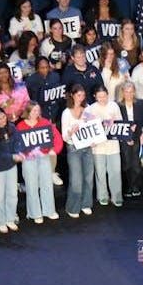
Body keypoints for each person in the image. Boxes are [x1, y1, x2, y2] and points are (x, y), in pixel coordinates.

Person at [16, 102, 64, 223]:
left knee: (47, 184)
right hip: (28, 159)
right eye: (33, 111)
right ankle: (35, 213)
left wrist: (55, 150)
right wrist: (23, 154)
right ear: (27, 112)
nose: (36, 113)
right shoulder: (20, 126)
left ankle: (49, 210)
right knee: (31, 186)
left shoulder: (45, 123)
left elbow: (57, 137)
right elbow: (16, 144)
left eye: (38, 110)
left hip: (44, 157)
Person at [0, 107, 25, 234]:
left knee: (12, 194)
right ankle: (1, 222)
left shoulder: (11, 127)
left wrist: (18, 152)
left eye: (3, 117)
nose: (3, 120)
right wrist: (12, 156)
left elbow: (18, 141)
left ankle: (10, 218)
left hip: (11, 167)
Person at [84, 85, 124, 206]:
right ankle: (102, 195)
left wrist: (114, 122)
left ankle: (117, 196)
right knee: (100, 172)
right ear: (95, 96)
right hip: (98, 146)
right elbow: (87, 126)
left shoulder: (114, 105)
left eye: (104, 96)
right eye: (99, 97)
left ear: (108, 95)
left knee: (115, 171)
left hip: (113, 144)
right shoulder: (90, 109)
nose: (102, 99)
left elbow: (120, 123)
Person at [61, 85, 95, 217]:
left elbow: (93, 126)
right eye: (78, 95)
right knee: (76, 180)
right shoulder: (66, 113)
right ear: (72, 95)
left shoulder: (87, 108)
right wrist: (71, 132)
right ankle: (73, 207)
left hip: (87, 147)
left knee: (88, 177)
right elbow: (64, 137)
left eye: (83, 95)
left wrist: (94, 139)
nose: (81, 98)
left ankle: (86, 204)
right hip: (73, 148)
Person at [118, 82, 143, 198]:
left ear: (134, 92)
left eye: (131, 92)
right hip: (124, 138)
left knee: (136, 163)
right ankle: (128, 186)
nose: (129, 94)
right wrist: (125, 137)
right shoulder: (118, 106)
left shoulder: (141, 104)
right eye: (126, 92)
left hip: (138, 137)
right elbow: (117, 124)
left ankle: (136, 186)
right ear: (122, 93)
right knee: (126, 163)